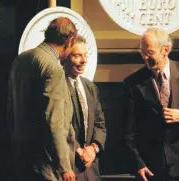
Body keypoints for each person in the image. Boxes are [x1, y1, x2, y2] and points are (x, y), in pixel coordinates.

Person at [123, 28, 179, 181]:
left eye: (149, 52)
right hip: (152, 168)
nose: (144, 57)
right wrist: (139, 164)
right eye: (142, 52)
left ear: (166, 50)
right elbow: (129, 131)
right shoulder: (133, 83)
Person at [8, 17, 77, 181]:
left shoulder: (20, 60)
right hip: (46, 165)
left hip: (20, 159)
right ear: (70, 39)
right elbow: (54, 121)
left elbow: (11, 108)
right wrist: (65, 167)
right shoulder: (53, 68)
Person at [63, 35, 107, 181]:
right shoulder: (57, 87)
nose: (84, 60)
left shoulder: (90, 87)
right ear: (65, 57)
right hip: (69, 168)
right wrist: (79, 151)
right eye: (77, 56)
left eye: (85, 55)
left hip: (91, 170)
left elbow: (100, 124)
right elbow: (59, 126)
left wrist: (93, 148)